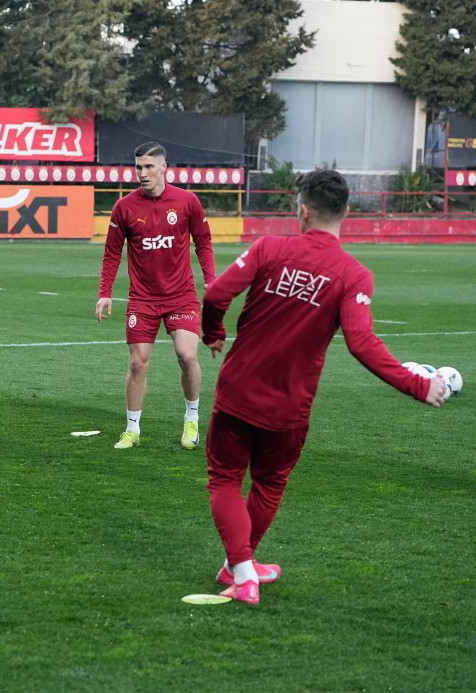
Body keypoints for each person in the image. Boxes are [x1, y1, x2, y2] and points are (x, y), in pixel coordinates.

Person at [201, 168, 449, 605]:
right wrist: (418, 385)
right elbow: (362, 343)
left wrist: (213, 332)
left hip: (238, 391)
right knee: (269, 485)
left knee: (224, 478)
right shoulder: (354, 275)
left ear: (303, 210)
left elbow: (216, 295)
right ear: (347, 213)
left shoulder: (268, 248)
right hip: (289, 407)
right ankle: (240, 565)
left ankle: (241, 571)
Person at [95, 141, 216, 450]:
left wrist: (211, 281)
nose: (142, 173)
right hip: (142, 299)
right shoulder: (124, 207)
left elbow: (203, 242)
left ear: (164, 167)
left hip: (181, 295)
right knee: (137, 364)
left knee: (187, 355)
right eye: (138, 167)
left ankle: (191, 419)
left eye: (149, 167)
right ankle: (132, 429)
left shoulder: (187, 202)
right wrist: (105, 293)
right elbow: (112, 254)